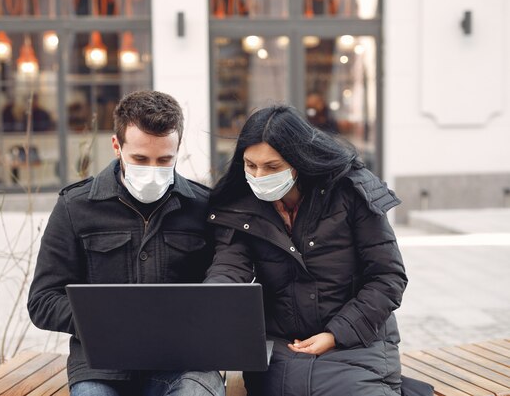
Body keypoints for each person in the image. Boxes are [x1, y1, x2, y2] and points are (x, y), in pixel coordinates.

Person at [205, 105, 433, 396]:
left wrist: (335, 334)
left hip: (358, 341)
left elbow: (388, 278)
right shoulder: (241, 204)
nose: (259, 175)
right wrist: (212, 301)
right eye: (251, 165)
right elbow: (228, 269)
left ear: (299, 161)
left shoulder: (351, 191)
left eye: (272, 167)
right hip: (283, 346)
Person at [27, 90, 225, 396]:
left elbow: (227, 282)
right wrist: (105, 321)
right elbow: (43, 300)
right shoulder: (75, 207)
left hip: (186, 364)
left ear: (178, 149)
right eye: (140, 159)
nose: (153, 170)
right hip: (102, 367)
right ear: (117, 146)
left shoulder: (203, 206)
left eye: (164, 160)